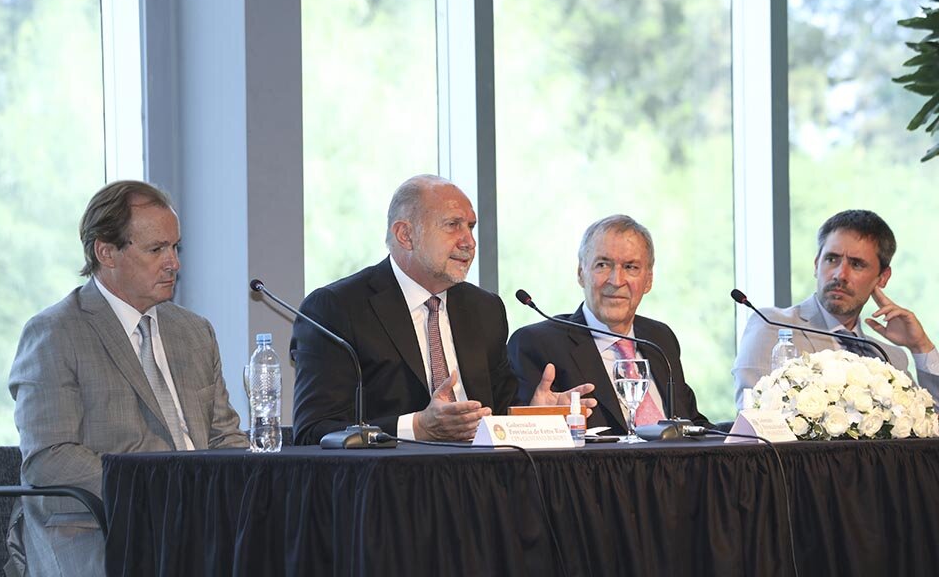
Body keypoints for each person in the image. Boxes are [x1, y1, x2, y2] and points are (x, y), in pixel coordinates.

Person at [7, 181, 248, 576]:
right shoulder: (55, 333)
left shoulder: (194, 332)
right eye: (157, 250)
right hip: (101, 529)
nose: (174, 263)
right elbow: (49, 459)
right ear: (106, 252)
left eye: (175, 247)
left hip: (201, 527)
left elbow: (225, 437)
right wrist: (158, 490)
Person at [291, 174, 595, 445]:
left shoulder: (485, 309)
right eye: (453, 226)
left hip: (480, 484)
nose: (469, 242)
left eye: (471, 227)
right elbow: (314, 429)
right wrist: (417, 427)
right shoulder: (337, 308)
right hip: (390, 490)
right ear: (405, 235)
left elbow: (498, 415)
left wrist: (532, 415)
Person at [509, 215, 710, 437]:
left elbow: (692, 423)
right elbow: (523, 442)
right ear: (580, 274)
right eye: (603, 265)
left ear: (649, 279)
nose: (616, 280)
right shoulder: (537, 344)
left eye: (631, 267)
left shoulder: (660, 339)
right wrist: (537, 422)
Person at [732, 209, 939, 408]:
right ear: (816, 265)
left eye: (857, 264)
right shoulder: (773, 326)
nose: (840, 274)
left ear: (883, 277)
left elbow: (930, 429)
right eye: (832, 259)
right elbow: (753, 414)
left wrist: (921, 346)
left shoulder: (891, 358)